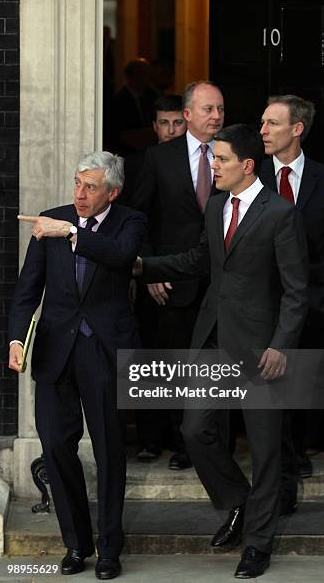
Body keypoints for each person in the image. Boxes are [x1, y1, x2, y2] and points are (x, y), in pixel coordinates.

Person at [135, 124, 309, 578]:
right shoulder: (215, 207)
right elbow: (199, 260)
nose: (212, 166)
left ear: (246, 166)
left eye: (220, 160)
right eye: (213, 159)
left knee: (267, 449)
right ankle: (238, 501)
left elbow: (296, 291)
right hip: (213, 338)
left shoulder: (280, 213)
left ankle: (258, 544)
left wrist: (279, 346)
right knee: (194, 431)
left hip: (260, 350)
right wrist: (141, 265)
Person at [8, 151, 146, 580]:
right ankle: (76, 544)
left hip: (103, 351)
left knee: (108, 453)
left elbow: (121, 256)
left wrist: (70, 230)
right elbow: (28, 289)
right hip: (54, 352)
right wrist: (15, 338)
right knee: (55, 447)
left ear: (112, 192)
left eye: (90, 187)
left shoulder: (130, 222)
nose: (80, 194)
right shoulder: (51, 220)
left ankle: (109, 549)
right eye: (76, 184)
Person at [260, 95, 324, 514]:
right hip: (264, 303)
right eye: (263, 123)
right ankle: (283, 471)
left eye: (272, 123)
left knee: (304, 386)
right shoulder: (252, 175)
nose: (263, 131)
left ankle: (296, 455)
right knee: (270, 389)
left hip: (314, 300)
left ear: (297, 129)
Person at [130, 80, 224, 470]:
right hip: (171, 281)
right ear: (187, 116)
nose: (217, 116)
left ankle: (206, 442)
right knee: (171, 361)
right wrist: (148, 270)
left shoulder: (233, 155)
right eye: (209, 109)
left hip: (221, 281)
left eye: (221, 109)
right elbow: (140, 218)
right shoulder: (159, 157)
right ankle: (175, 438)